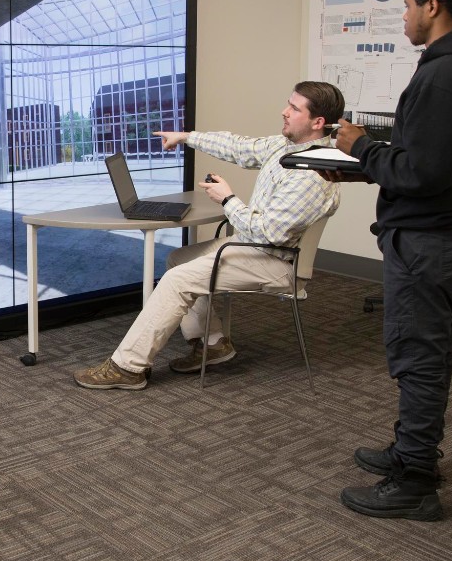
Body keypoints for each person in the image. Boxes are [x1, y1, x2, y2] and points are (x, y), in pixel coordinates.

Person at [330, 0, 452, 521]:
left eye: (406, 3)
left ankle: (415, 480)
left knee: (418, 356)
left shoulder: (445, 75)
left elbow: (422, 173)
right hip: (448, 229)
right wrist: (369, 160)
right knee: (422, 349)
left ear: (432, 5)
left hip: (430, 238)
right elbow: (429, 162)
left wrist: (362, 148)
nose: (402, 14)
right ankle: (408, 450)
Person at [73, 81, 344, 391]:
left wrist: (228, 200)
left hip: (275, 259)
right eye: (288, 103)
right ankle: (213, 343)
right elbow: (239, 147)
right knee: (178, 260)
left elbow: (270, 232)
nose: (284, 111)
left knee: (178, 280)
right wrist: (187, 137)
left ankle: (127, 368)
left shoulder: (314, 174)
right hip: (253, 245)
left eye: (294, 109)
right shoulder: (288, 147)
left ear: (317, 122)